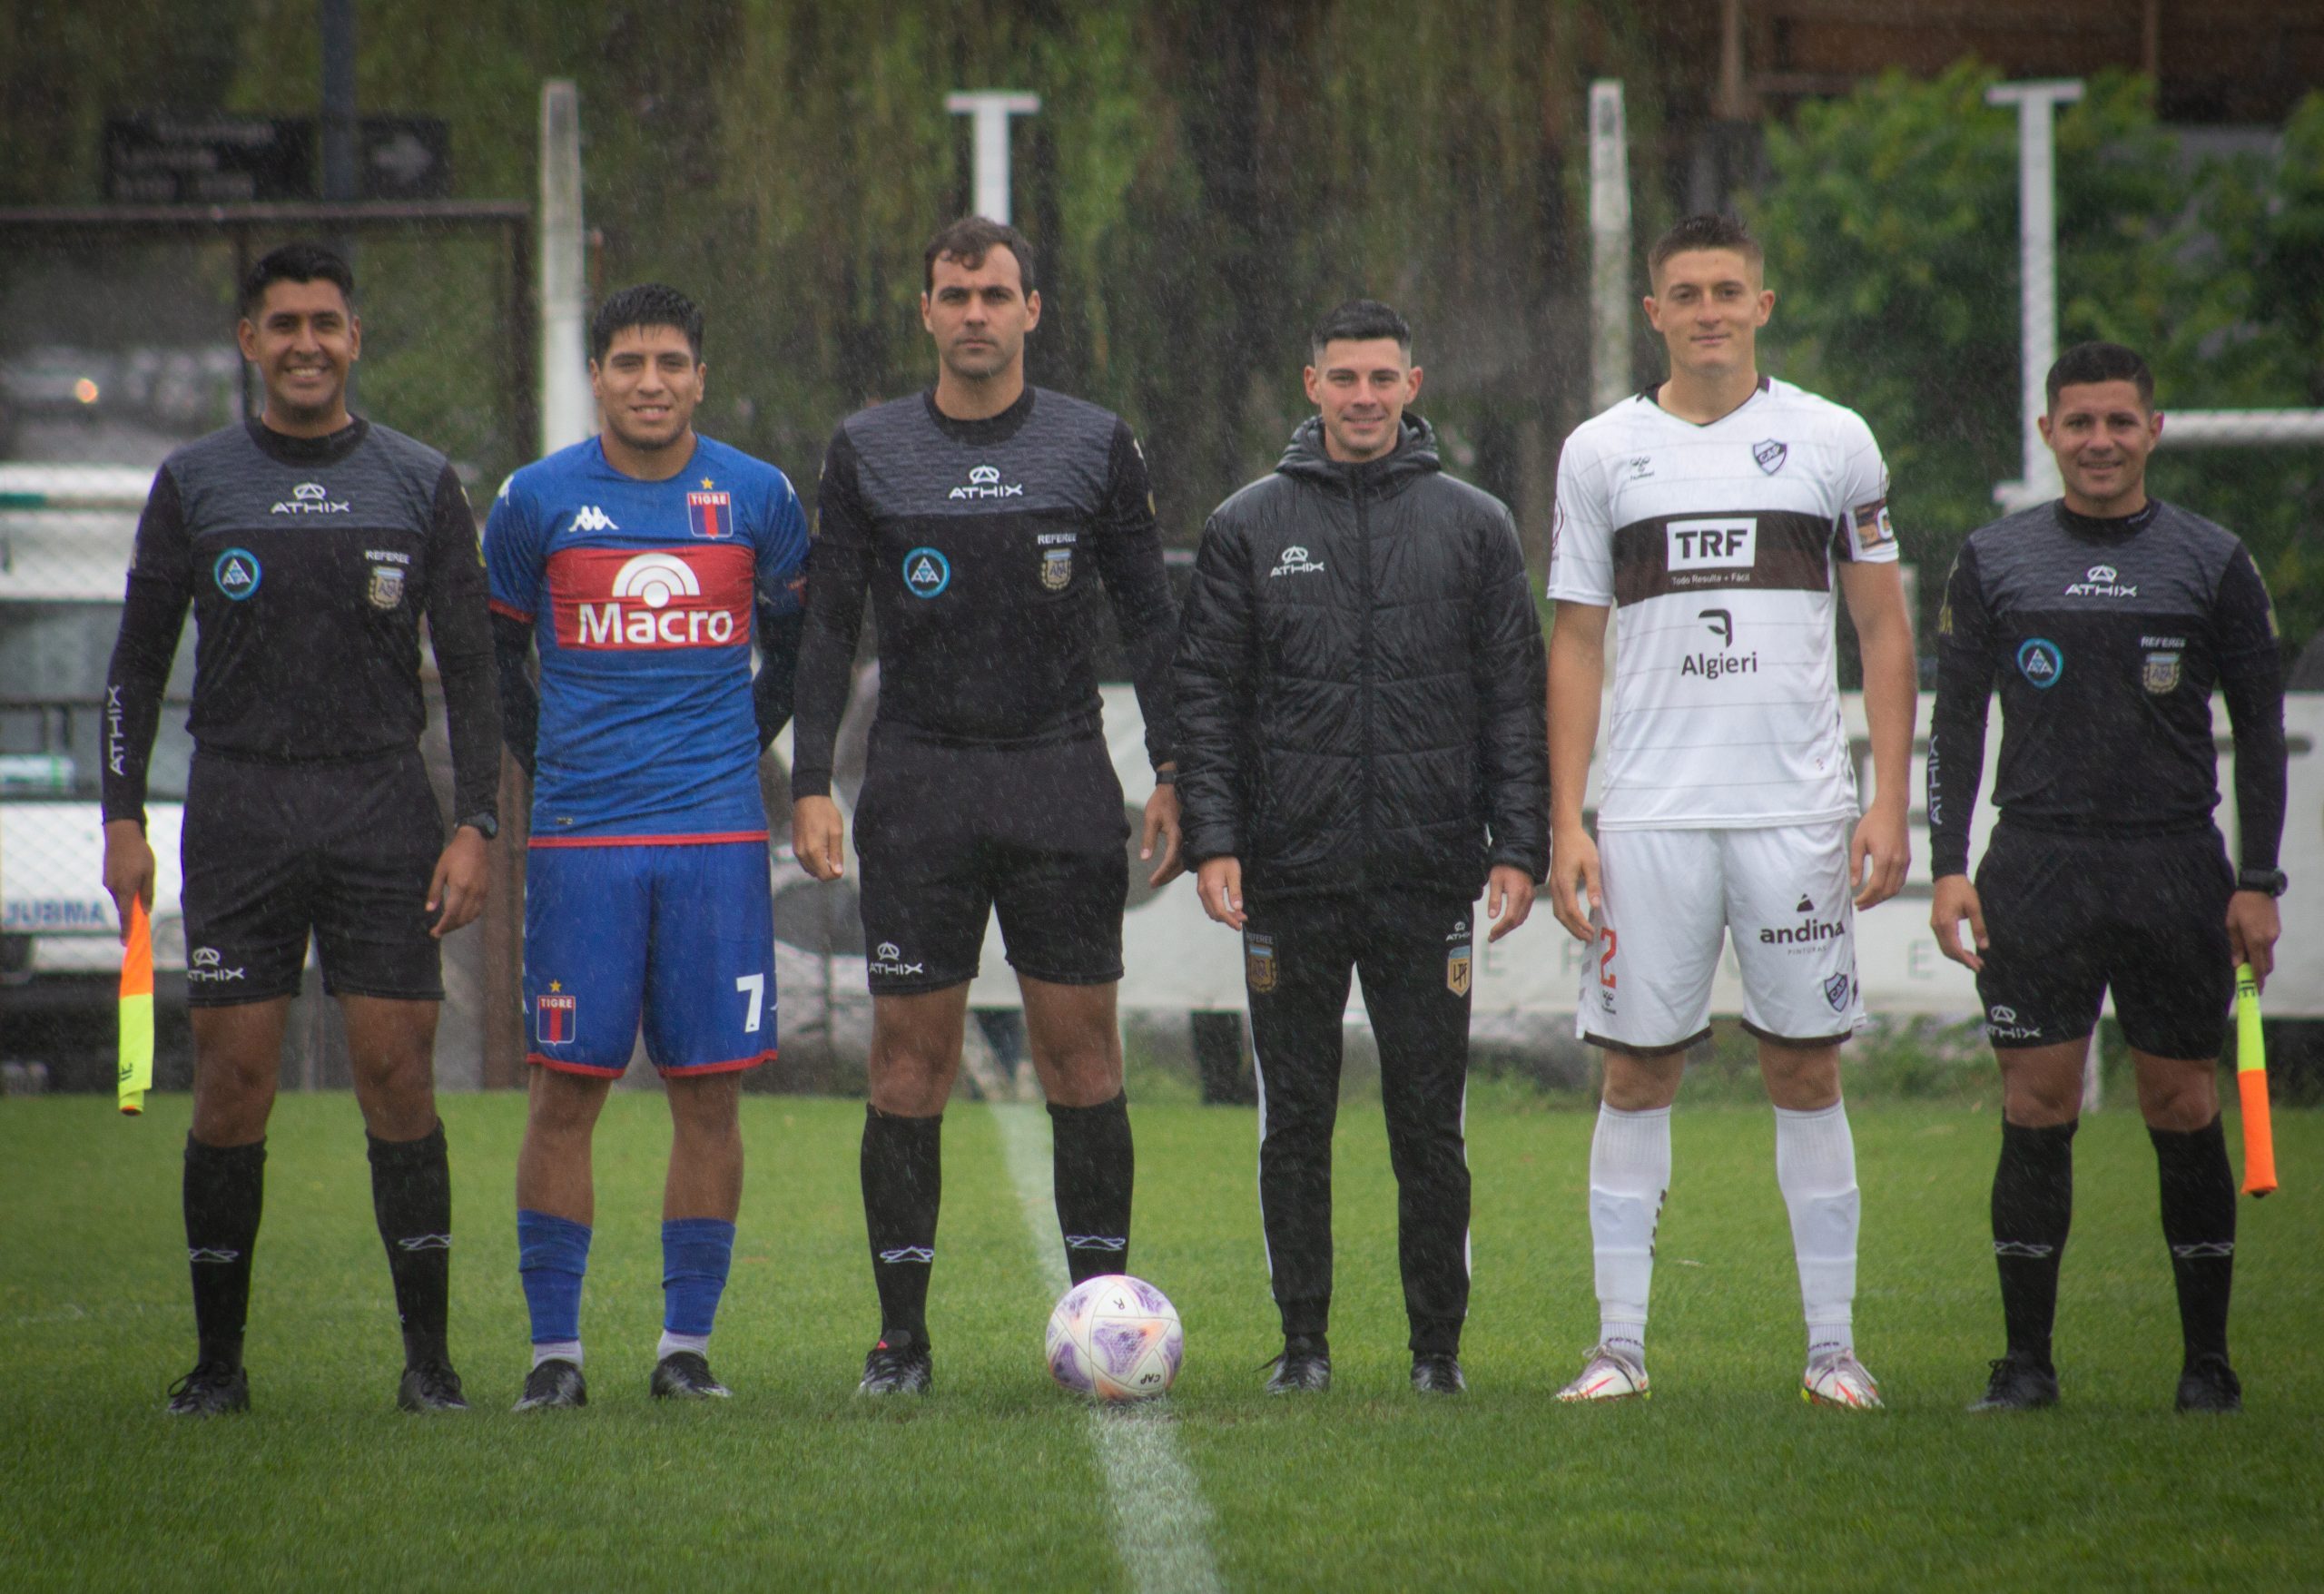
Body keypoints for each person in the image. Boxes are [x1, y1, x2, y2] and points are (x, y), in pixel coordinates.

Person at [99, 242, 500, 1416]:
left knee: (396, 1077)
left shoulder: (420, 482)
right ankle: (217, 1368)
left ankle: (428, 1367)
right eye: (284, 325)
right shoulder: (196, 482)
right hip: (240, 806)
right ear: (249, 342)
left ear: (356, 338)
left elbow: (473, 676)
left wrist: (475, 821)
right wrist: (121, 817)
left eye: (326, 322)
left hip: (380, 807)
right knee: (232, 1081)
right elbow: (134, 669)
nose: (307, 343)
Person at [790, 217, 1180, 1396]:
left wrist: (1178, 769)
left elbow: (1152, 623)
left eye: (994, 294)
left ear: (1030, 310)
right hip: (920, 784)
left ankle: (1103, 1323)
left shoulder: (1093, 445)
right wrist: (811, 778)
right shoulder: (869, 450)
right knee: (909, 1064)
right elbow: (827, 627)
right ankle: (900, 1342)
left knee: (1082, 1057)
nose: (974, 313)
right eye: (953, 294)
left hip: (1062, 777)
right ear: (927, 313)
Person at [1543, 214, 1916, 1409]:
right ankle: (1618, 1350)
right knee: (1635, 1074)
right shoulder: (1602, 453)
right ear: (1652, 312)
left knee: (1806, 1069)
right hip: (1648, 815)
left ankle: (1832, 1352)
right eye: (1685, 293)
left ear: (1763, 304)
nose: (1708, 309)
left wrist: (1888, 800)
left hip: (1797, 815)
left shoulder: (1831, 442)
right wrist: (1569, 819)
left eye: (1728, 291)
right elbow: (1577, 642)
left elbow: (1882, 628)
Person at [1174, 300, 1547, 1396]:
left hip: (1429, 874)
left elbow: (1512, 703)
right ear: (1311, 385)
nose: (1364, 397)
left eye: (1383, 378)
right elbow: (1208, 699)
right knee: (1294, 1124)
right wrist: (1215, 839)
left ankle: (1438, 1353)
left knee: (1428, 1129)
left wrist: (1515, 842)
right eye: (1344, 378)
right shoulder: (1247, 523)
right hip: (1289, 877)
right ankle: (1304, 1346)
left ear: (1413, 385)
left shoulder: (1474, 525)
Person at [1928, 341, 2286, 1415]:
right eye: (2077, 423)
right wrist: (1948, 868)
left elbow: (2261, 735)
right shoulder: (1993, 560)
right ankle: (2025, 1364)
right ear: (2046, 434)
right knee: (2034, 1100)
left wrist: (2257, 877)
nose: (2097, 441)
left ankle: (2206, 1365)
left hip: (2174, 861)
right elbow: (1952, 729)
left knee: (2180, 1100)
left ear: (2152, 430)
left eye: (2118, 422)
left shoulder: (2212, 561)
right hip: (2036, 860)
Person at [486, 284, 809, 1410]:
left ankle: (685, 1350)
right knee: (563, 1091)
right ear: (598, 377)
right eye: (628, 362)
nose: (651, 381)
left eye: (671, 361)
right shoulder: (535, 500)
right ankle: (554, 1358)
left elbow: (801, 649)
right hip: (582, 842)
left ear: (701, 376)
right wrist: (562, 764)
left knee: (708, 1093)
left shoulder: (758, 497)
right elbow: (492, 673)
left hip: (718, 837)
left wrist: (733, 745)